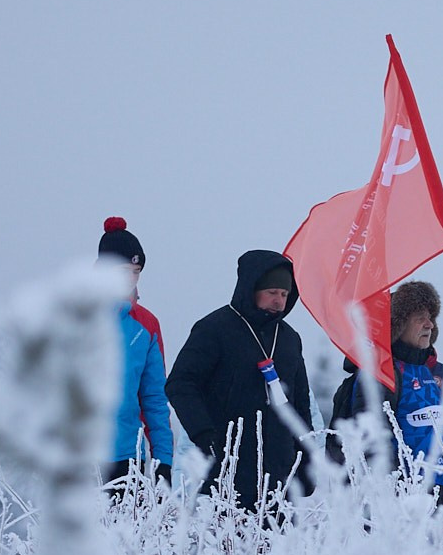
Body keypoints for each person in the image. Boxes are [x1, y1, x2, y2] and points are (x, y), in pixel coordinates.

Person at [166, 249, 314, 509]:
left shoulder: (290, 339)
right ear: (251, 288)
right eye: (272, 293)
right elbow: (180, 383)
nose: (279, 301)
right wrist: (204, 434)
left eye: (284, 294)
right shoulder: (213, 329)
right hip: (225, 468)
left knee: (278, 549)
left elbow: (300, 402)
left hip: (278, 475)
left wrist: (306, 458)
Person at [329, 280, 443, 484]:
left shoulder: (426, 371)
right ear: (398, 326)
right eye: (420, 318)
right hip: (402, 496)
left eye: (431, 318)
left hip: (442, 492)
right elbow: (371, 442)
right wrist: (391, 490)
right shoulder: (380, 374)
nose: (429, 324)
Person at [96, 230, 175, 484]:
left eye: (136, 271)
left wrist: (164, 459)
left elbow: (154, 397)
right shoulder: (75, 318)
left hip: (129, 457)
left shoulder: (147, 325)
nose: (130, 278)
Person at [96, 216, 165, 360]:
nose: (131, 278)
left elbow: (154, 381)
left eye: (136, 271)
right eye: (124, 271)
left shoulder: (148, 322)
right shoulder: (78, 316)